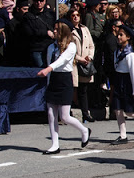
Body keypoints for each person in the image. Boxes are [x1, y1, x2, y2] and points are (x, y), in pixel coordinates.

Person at [36, 20, 91, 154]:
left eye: (56, 29)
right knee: (51, 114)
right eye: (54, 29)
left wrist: (48, 69)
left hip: (64, 80)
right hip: (53, 79)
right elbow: (50, 61)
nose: (54, 31)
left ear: (63, 31)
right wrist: (48, 77)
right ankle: (55, 144)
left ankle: (84, 130)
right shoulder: (51, 47)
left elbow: (62, 60)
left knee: (65, 116)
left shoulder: (71, 46)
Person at [68, 8, 96, 123]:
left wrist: (89, 57)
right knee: (72, 88)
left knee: (83, 90)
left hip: (86, 62)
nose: (76, 17)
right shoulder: (69, 30)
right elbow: (67, 48)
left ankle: (85, 113)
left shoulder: (84, 29)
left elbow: (91, 45)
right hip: (74, 62)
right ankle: (68, 112)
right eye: (73, 15)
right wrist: (79, 59)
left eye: (77, 15)